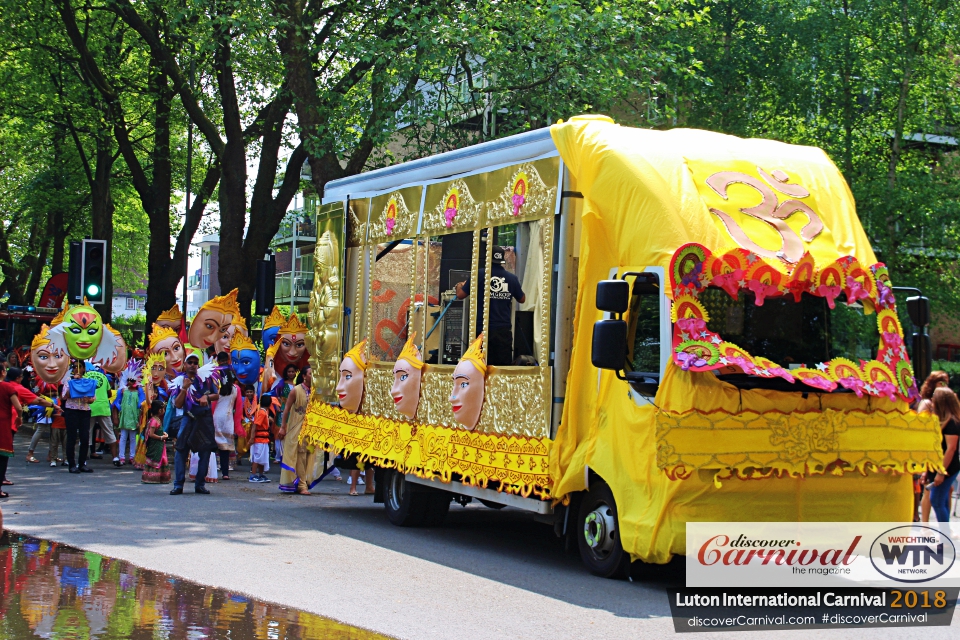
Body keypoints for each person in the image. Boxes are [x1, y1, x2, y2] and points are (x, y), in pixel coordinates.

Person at [455, 245, 525, 366]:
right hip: (503, 330)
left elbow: (460, 295)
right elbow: (522, 299)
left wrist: (459, 285)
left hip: (482, 330)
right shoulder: (512, 278)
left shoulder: (479, 275)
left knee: (480, 367)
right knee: (501, 369)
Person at [170, 353, 219, 495]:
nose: (192, 365)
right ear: (184, 365)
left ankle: (200, 485)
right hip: (188, 418)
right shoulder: (180, 381)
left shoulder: (206, 379)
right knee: (181, 450)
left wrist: (206, 396)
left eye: (195, 362)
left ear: (198, 365)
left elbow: (216, 394)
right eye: (189, 362)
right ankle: (178, 485)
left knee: (205, 452)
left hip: (204, 419)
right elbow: (178, 405)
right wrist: (184, 389)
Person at [923, 387, 960, 523]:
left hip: (947, 468)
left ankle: (946, 538)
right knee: (941, 501)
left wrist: (940, 473)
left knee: (937, 501)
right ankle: (946, 536)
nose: (931, 400)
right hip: (937, 466)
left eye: (934, 398)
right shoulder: (940, 420)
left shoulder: (952, 423)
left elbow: (951, 449)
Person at [279, 366, 316, 495]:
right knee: (300, 455)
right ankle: (301, 485)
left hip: (311, 428)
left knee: (310, 455)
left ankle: (306, 480)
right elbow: (287, 409)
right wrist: (283, 427)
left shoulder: (316, 392)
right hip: (297, 428)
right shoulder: (296, 390)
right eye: (311, 374)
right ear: (304, 376)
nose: (313, 376)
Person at [61, 361, 94, 473]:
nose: (77, 369)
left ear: (84, 369)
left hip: (84, 410)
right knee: (72, 437)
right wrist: (74, 383)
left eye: (79, 367)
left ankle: (82, 463)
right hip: (71, 410)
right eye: (74, 367)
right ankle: (71, 464)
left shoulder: (88, 381)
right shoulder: (68, 381)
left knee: (85, 437)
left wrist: (88, 400)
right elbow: (65, 396)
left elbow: (92, 398)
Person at [213, 351, 240, 480]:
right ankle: (225, 473)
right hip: (228, 418)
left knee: (213, 446)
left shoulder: (216, 387)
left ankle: (210, 471)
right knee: (224, 448)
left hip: (216, 416)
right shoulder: (236, 389)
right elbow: (238, 407)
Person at [0, 376, 24, 498]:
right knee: (2, 457)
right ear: (3, 372)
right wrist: (19, 417)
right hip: (3, 424)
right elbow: (19, 407)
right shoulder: (6, 387)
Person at [114, 372, 145, 466]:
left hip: (134, 418)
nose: (130, 382)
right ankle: (121, 457)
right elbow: (116, 403)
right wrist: (117, 414)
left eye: (132, 380)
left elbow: (141, 405)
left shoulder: (139, 392)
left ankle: (132, 456)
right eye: (128, 380)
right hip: (124, 417)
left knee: (132, 438)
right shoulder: (122, 391)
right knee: (123, 437)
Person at [271, 364, 297, 462]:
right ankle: (278, 456)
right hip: (282, 410)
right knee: (279, 434)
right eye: (289, 371)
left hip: (294, 411)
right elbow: (273, 396)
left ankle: (288, 456)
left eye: (292, 371)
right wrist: (277, 406)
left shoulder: (298, 385)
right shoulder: (282, 384)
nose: (291, 373)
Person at [141, 399, 171, 484]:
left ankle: (160, 478)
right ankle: (153, 478)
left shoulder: (157, 419)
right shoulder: (154, 421)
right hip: (156, 445)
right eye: (163, 409)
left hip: (159, 445)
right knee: (156, 459)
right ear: (159, 410)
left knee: (162, 459)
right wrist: (162, 437)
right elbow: (151, 434)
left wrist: (163, 434)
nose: (164, 411)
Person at [249, 394, 272, 483]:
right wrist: (252, 438)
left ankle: (261, 475)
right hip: (259, 440)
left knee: (263, 458)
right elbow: (255, 425)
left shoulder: (264, 412)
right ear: (270, 404)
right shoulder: (262, 413)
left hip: (264, 440)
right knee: (257, 457)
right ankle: (253, 475)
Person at [238, 385, 257, 465]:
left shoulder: (257, 400)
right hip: (244, 422)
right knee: (242, 441)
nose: (249, 393)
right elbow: (239, 412)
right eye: (247, 392)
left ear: (254, 392)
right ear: (245, 393)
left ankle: (252, 459)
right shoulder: (242, 400)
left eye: (251, 392)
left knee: (253, 441)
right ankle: (239, 455)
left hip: (254, 423)